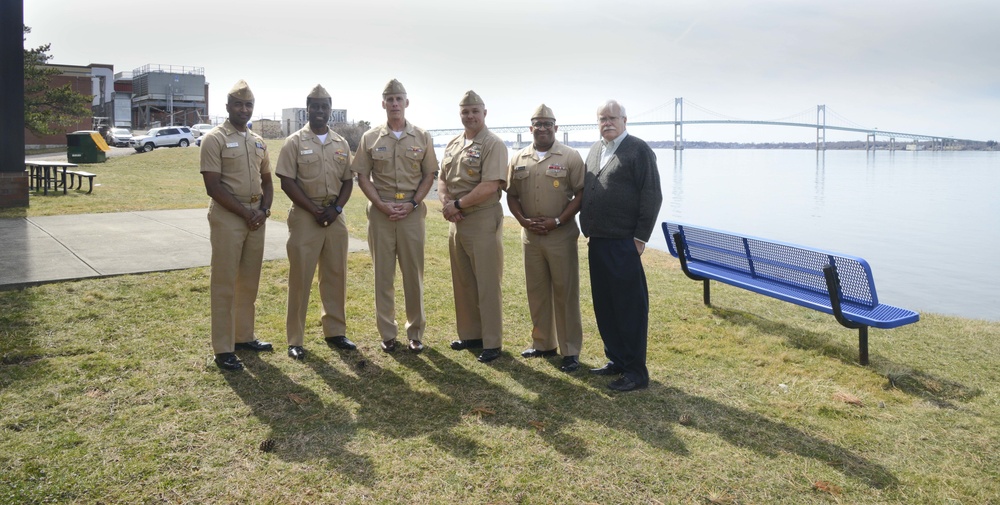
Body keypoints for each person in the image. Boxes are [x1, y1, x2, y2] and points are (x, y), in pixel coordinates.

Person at [579, 99, 663, 391]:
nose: (608, 123)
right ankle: (615, 359)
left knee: (629, 308)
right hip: (598, 241)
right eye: (602, 118)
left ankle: (636, 372)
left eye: (613, 118)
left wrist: (640, 239)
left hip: (623, 243)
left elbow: (652, 195)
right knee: (606, 305)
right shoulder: (594, 150)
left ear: (625, 120)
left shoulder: (639, 151)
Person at [351, 79, 438, 353]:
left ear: (407, 103)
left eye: (399, 99)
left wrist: (413, 203)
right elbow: (362, 175)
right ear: (383, 104)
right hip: (381, 213)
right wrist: (380, 203)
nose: (395, 104)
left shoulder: (422, 137)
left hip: (411, 213)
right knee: (383, 274)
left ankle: (416, 332)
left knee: (414, 274)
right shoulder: (370, 137)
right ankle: (387, 333)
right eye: (390, 99)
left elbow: (429, 175)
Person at [274, 84, 357, 361]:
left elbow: (348, 181)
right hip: (304, 217)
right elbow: (286, 181)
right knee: (301, 278)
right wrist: (312, 209)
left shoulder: (341, 144)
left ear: (330, 111)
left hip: (334, 217)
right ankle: (295, 339)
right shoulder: (295, 142)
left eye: (324, 107)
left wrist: (336, 208)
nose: (320, 111)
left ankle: (335, 331)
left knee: (335, 275)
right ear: (306, 109)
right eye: (315, 106)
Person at [200, 79, 274, 371]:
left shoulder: (257, 141)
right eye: (239, 104)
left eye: (249, 105)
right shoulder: (214, 139)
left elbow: (267, 179)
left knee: (249, 281)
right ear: (227, 107)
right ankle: (223, 347)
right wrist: (245, 212)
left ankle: (244, 337)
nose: (244, 109)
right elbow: (212, 186)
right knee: (224, 282)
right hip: (229, 216)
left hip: (256, 216)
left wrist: (264, 209)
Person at [506, 104, 585, 373]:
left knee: (565, 293)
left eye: (547, 124)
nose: (542, 128)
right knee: (537, 292)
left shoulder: (570, 157)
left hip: (560, 236)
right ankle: (543, 344)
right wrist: (522, 220)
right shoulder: (518, 158)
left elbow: (581, 194)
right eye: (537, 124)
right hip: (531, 237)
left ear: (556, 128)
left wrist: (558, 220)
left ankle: (570, 350)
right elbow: (512, 195)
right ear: (530, 128)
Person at [439, 90, 509, 363]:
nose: (470, 116)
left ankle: (491, 341)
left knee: (488, 282)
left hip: (480, 217)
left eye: (474, 112)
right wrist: (447, 203)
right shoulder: (454, 143)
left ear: (484, 113)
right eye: (465, 112)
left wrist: (457, 206)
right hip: (456, 220)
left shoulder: (493, 144)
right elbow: (442, 178)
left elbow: (490, 186)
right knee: (464, 279)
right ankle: (471, 334)